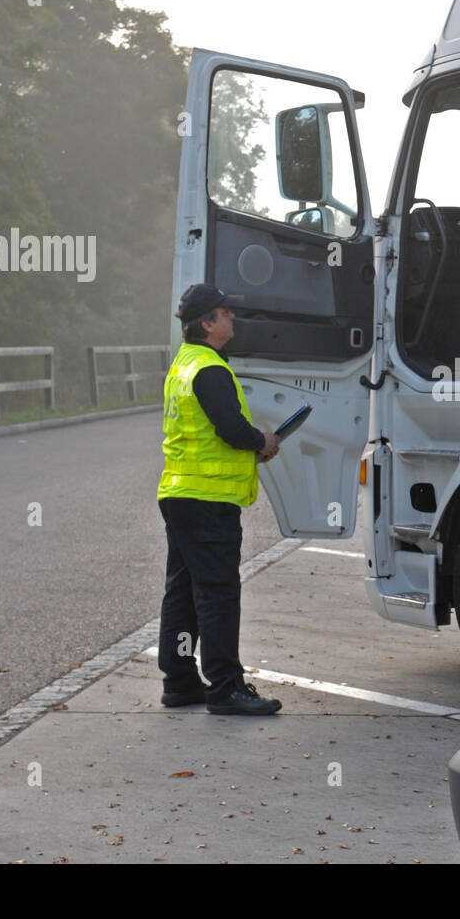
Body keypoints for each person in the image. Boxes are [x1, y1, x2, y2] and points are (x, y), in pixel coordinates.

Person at [156, 284, 283, 715]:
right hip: (206, 499)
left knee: (183, 591)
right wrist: (263, 441)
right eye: (225, 312)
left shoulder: (184, 364)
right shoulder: (209, 368)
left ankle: (179, 680)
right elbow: (231, 429)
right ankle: (226, 687)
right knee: (216, 593)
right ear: (207, 323)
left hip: (180, 493)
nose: (232, 318)